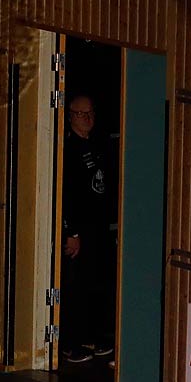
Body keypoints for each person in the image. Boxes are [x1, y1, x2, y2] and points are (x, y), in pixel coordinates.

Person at [61, 94, 118, 363]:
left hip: (99, 227)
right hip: (78, 229)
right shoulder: (67, 148)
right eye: (82, 114)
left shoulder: (100, 143)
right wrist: (72, 232)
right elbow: (67, 193)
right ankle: (71, 343)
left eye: (91, 113)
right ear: (70, 115)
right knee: (76, 287)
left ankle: (94, 337)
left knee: (97, 284)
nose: (88, 118)